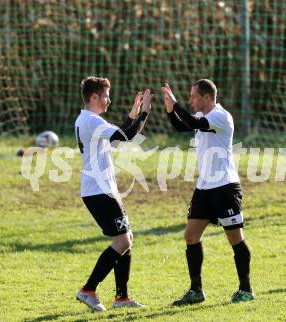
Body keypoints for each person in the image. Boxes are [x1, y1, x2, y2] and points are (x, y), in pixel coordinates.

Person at [161, 79, 254, 305]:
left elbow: (192, 121)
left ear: (207, 97)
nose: (191, 100)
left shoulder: (221, 116)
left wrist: (176, 104)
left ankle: (246, 289)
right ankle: (196, 291)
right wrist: (170, 108)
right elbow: (181, 125)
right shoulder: (203, 118)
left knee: (235, 238)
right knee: (191, 236)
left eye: (193, 96)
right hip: (204, 188)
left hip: (225, 188)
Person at [74, 76, 152, 311]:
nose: (109, 100)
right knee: (123, 240)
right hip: (99, 191)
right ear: (94, 97)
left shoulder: (88, 120)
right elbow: (127, 135)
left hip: (103, 190)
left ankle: (122, 298)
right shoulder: (91, 121)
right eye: (106, 95)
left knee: (126, 239)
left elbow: (116, 141)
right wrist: (144, 113)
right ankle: (88, 289)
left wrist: (133, 113)